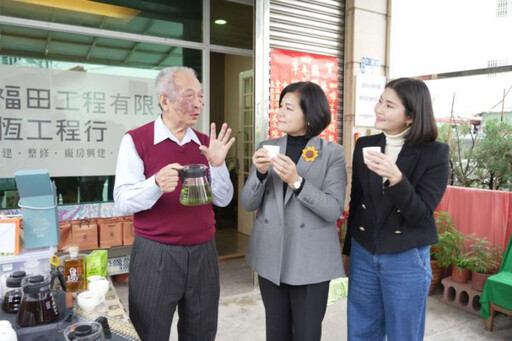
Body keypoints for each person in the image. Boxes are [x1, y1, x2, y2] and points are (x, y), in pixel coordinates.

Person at [114, 66, 235, 341]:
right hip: (156, 254)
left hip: (204, 252)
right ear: (164, 100)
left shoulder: (206, 144)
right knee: (149, 332)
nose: (198, 103)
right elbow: (121, 200)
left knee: (202, 331)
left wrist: (217, 165)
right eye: (189, 95)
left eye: (201, 96)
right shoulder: (137, 140)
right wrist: (154, 184)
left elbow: (224, 199)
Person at [342, 77, 449, 341]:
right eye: (380, 100)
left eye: (389, 105)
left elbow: (422, 215)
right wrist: (348, 251)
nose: (379, 109)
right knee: (361, 331)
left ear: (411, 117)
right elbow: (356, 202)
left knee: (404, 333)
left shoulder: (434, 153)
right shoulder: (365, 145)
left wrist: (397, 179)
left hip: (406, 256)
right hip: (364, 252)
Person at [241, 81, 347, 341]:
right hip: (270, 255)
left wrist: (297, 183)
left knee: (307, 333)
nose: (279, 113)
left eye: (288, 108)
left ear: (309, 114)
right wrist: (261, 174)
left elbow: (333, 208)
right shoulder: (268, 146)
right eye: (279, 106)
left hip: (311, 260)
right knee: (275, 333)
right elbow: (248, 203)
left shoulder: (332, 153)